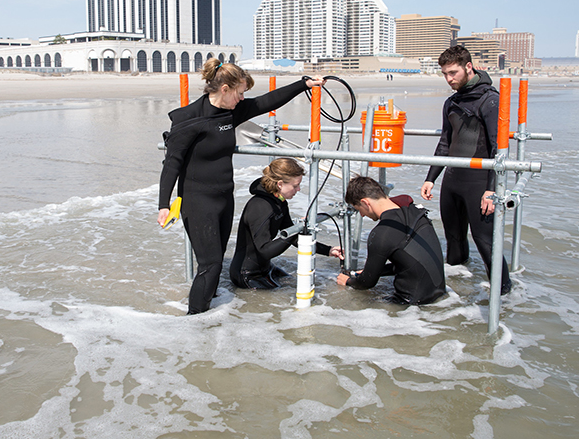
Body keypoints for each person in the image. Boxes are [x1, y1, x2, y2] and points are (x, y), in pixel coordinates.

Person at [158, 59, 326, 314]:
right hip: (197, 201)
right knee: (210, 264)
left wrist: (303, 84)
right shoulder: (188, 118)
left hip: (224, 198)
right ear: (224, 89)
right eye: (240, 92)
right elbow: (172, 164)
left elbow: (268, 101)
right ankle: (194, 324)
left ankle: (212, 316)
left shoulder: (231, 112)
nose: (242, 98)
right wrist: (163, 204)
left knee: (216, 260)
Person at [419, 45, 512, 295]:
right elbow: (445, 143)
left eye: (453, 73)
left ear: (468, 67)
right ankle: (458, 291)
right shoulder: (451, 102)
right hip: (452, 180)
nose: (449, 79)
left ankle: (504, 294)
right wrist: (431, 179)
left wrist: (491, 190)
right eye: (445, 74)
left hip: (479, 183)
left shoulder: (490, 100)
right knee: (454, 239)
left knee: (485, 242)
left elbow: (498, 150)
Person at [230, 158, 342, 289]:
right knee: (281, 298)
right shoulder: (260, 207)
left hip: (267, 269)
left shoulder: (280, 202)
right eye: (295, 186)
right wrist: (293, 233)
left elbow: (292, 236)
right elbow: (265, 251)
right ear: (280, 184)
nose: (298, 189)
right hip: (247, 275)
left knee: (293, 285)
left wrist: (328, 250)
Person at [336, 176, 446, 305]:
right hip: (439, 296)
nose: (362, 214)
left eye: (359, 209)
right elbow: (410, 262)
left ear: (366, 203)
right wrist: (375, 271)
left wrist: (347, 281)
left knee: (350, 303)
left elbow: (367, 283)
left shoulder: (382, 233)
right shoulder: (415, 212)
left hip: (411, 305)